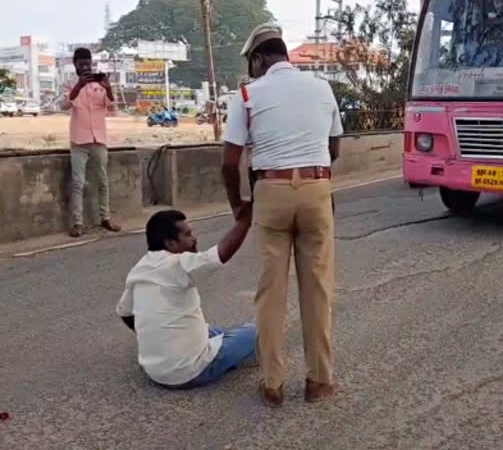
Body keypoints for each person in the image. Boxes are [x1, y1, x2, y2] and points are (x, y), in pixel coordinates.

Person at [221, 23, 343, 407]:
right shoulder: (322, 88)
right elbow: (334, 146)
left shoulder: (245, 95)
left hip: (269, 191)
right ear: (285, 54)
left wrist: (238, 204)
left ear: (259, 58)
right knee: (318, 289)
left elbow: (229, 162)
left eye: (251, 62)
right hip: (316, 188)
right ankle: (319, 381)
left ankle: (273, 384)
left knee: (271, 293)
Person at [116, 208, 256, 388]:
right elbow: (217, 257)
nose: (194, 239)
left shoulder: (139, 269)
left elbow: (124, 312)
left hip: (153, 370)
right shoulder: (177, 263)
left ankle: (233, 349)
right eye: (188, 235)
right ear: (171, 244)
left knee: (211, 330)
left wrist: (152, 336)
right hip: (189, 373)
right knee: (261, 328)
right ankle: (245, 355)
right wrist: (244, 221)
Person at [61, 48, 121, 237]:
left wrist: (108, 87)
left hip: (99, 140)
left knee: (103, 182)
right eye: (82, 64)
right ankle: (77, 223)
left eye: (88, 63)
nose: (86, 67)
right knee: (78, 183)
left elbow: (112, 108)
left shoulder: (100, 85)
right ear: (75, 64)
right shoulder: (70, 84)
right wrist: (78, 86)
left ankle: (105, 218)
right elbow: (64, 105)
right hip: (79, 141)